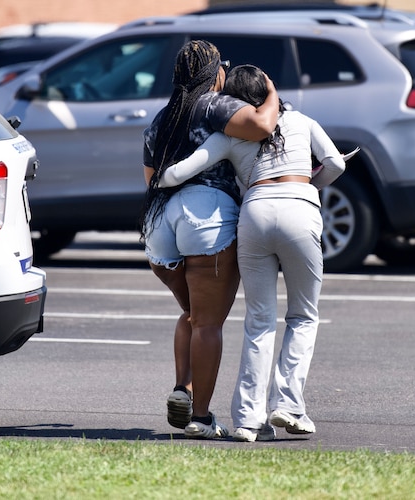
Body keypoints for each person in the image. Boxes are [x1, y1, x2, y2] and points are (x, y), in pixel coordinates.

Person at [158, 64, 346, 442]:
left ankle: (247, 420)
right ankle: (288, 406)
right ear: (269, 90)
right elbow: (337, 164)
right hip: (299, 208)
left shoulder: (231, 135)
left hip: (254, 214)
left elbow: (176, 173)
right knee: (303, 316)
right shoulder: (303, 121)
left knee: (259, 321)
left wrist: (156, 182)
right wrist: (310, 185)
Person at [142, 42, 279, 439]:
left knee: (192, 314)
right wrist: (270, 94)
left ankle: (183, 387)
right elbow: (262, 125)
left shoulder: (161, 118)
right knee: (208, 324)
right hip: (207, 216)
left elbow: (150, 182)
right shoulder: (214, 105)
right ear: (213, 73)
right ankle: (200, 419)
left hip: (159, 225)